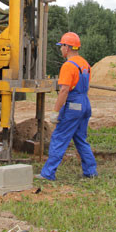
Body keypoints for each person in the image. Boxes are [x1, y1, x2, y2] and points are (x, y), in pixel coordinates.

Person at [38, 32, 97, 180]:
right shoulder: (85, 64)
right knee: (81, 139)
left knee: (59, 137)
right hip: (85, 103)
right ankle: (91, 171)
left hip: (73, 106)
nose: (60, 49)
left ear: (67, 47)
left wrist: (55, 111)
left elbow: (64, 90)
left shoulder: (68, 66)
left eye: (61, 46)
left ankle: (48, 173)